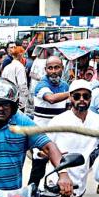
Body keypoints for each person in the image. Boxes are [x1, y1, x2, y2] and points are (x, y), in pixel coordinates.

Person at [29, 56, 70, 185]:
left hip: (58, 135)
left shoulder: (65, 86)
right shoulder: (41, 85)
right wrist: (73, 92)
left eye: (56, 67)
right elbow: (51, 98)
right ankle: (31, 196)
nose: (53, 71)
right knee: (38, 169)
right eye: (50, 68)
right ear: (45, 69)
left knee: (60, 167)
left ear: (62, 69)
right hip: (41, 136)